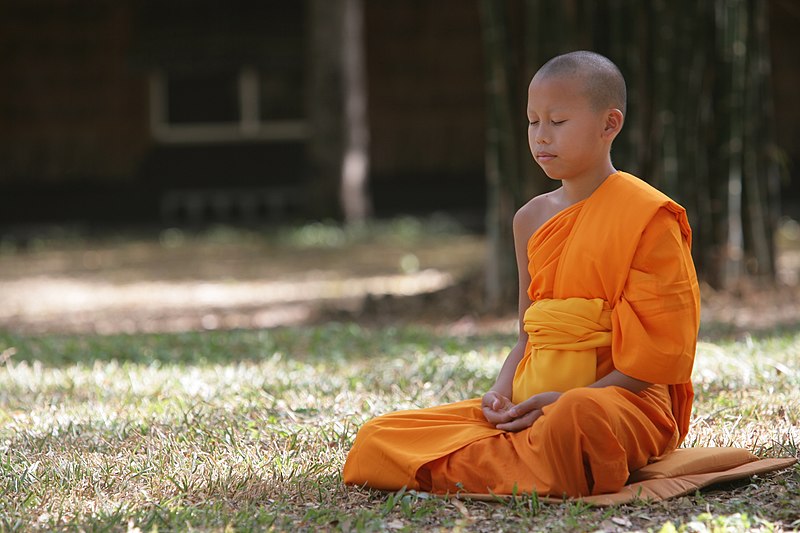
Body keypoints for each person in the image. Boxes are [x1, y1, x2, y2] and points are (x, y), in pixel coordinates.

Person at [343, 50, 700, 497]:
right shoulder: (530, 219)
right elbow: (528, 335)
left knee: (575, 420)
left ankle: (533, 456)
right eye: (533, 122)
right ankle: (537, 459)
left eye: (558, 122)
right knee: (380, 435)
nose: (541, 137)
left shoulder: (649, 217)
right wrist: (499, 394)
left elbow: (655, 363)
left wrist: (561, 402)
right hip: (531, 404)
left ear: (610, 124)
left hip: (619, 405)